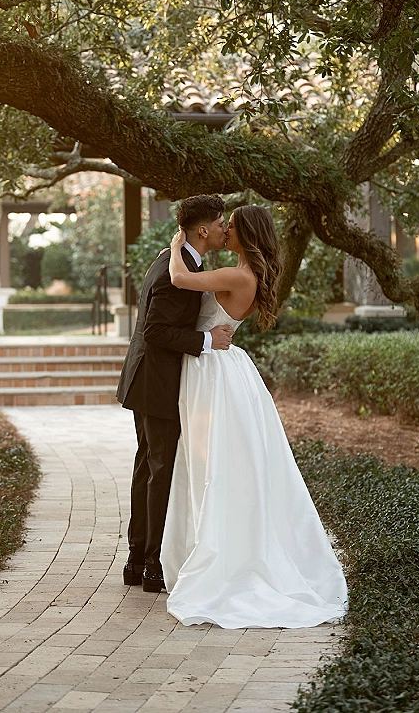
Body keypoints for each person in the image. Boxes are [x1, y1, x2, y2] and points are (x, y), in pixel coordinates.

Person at [160, 204, 348, 628]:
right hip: (224, 366)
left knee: (212, 462)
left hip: (213, 371)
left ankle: (220, 555)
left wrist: (176, 244)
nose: (225, 231)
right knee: (216, 461)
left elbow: (180, 279)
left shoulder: (239, 275)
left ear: (247, 236)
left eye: (233, 228)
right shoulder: (243, 272)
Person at [116, 195, 234, 593]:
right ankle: (151, 565)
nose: (225, 228)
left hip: (147, 378)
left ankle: (137, 560)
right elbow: (155, 331)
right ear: (203, 230)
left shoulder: (174, 258)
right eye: (220, 222)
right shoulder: (174, 272)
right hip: (156, 382)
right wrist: (207, 339)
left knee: (149, 467)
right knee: (158, 470)